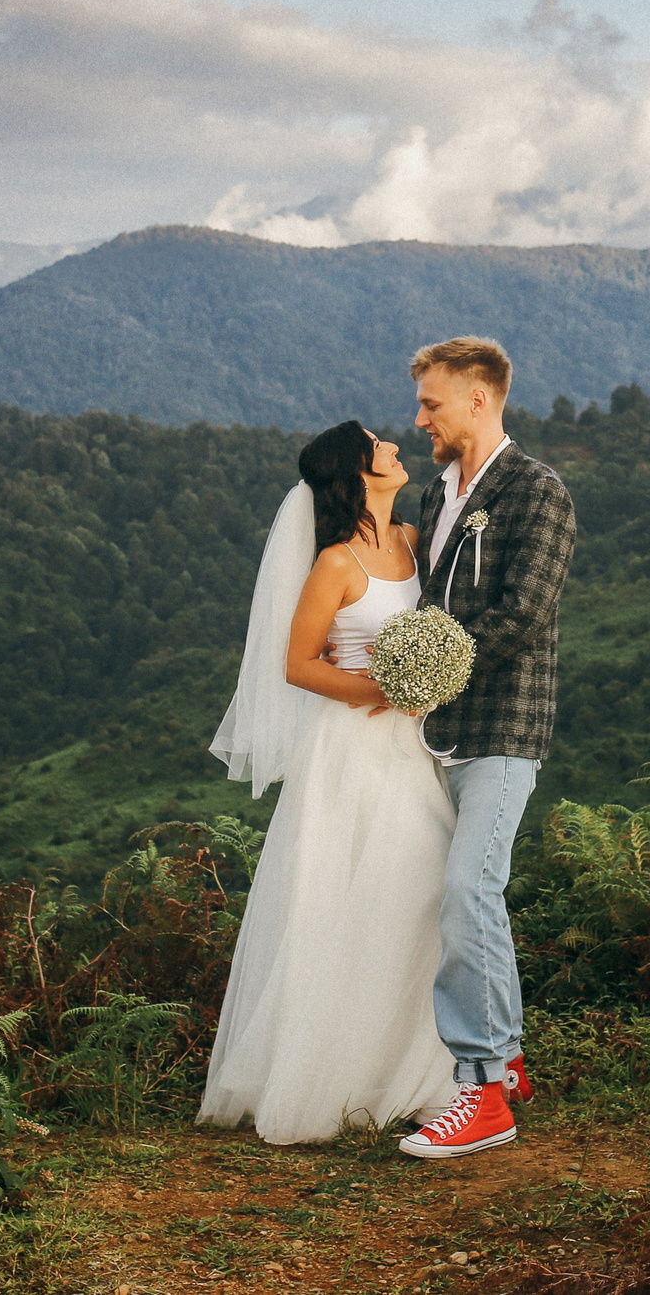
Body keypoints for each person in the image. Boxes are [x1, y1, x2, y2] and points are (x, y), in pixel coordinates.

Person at [196, 421, 461, 1142]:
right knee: (349, 901)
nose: (395, 448)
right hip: (351, 750)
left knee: (421, 894)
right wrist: (380, 684)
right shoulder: (336, 563)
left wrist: (429, 677)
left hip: (412, 747)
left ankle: (418, 1070)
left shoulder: (409, 540)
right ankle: (334, 1074)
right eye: (379, 444)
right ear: (357, 469)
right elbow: (298, 663)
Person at [396, 336, 577, 1160]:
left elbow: (523, 612)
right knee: (474, 897)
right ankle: (507, 1059)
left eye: (431, 403)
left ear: (478, 399)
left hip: (505, 728)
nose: (421, 418)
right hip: (439, 737)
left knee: (468, 889)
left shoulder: (538, 490)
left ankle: (481, 1092)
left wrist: (423, 672)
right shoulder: (436, 498)